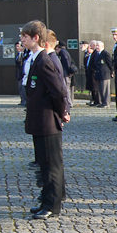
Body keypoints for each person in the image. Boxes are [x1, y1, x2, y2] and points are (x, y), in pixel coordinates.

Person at [21, 20, 70, 220]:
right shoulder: (35, 59)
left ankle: (52, 204)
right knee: (43, 163)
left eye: (25, 36)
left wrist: (61, 112)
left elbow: (58, 91)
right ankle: (45, 198)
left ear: (36, 38)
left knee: (52, 165)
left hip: (48, 120)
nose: (22, 39)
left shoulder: (44, 60)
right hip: (38, 120)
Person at [56, 41, 78, 108]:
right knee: (67, 88)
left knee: (66, 88)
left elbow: (66, 62)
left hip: (65, 73)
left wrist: (68, 71)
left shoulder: (63, 52)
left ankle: (69, 103)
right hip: (66, 73)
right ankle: (69, 102)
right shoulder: (65, 52)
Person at [93, 41, 113, 108]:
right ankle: (102, 102)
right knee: (101, 89)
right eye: (96, 46)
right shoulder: (97, 54)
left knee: (105, 89)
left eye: (98, 46)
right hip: (99, 74)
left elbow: (110, 63)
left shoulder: (105, 53)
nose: (97, 47)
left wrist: (112, 71)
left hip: (105, 74)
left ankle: (106, 103)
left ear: (102, 46)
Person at [84, 41, 98, 106]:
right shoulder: (91, 54)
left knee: (94, 88)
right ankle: (93, 100)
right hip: (90, 73)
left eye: (91, 45)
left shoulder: (95, 53)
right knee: (92, 88)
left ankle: (96, 100)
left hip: (93, 73)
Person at [15, 41, 27, 106]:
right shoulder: (18, 54)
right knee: (20, 88)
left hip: (23, 74)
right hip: (19, 74)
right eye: (16, 46)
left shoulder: (24, 54)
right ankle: (22, 100)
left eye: (18, 46)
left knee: (23, 88)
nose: (17, 48)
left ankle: (25, 101)